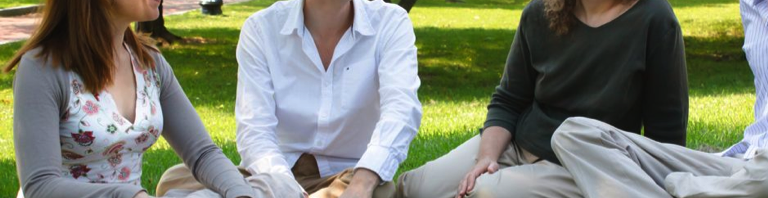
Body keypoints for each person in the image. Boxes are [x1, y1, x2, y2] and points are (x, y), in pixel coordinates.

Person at [456, 0, 768, 197]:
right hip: (737, 166)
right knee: (574, 134)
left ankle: (673, 192)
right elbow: (509, 97)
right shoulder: (755, 8)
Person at [396, 0, 689, 196]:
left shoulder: (656, 18)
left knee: (486, 193)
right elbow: (508, 100)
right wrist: (487, 158)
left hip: (580, 164)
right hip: (518, 144)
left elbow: (666, 137)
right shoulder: (540, 12)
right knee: (416, 188)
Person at [155, 0, 422, 197]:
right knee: (177, 182)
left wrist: (363, 183)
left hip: (348, 176)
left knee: (380, 192)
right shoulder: (261, 29)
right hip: (272, 175)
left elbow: (401, 110)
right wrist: (286, 188)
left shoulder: (390, 23)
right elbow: (255, 132)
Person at [5, 0, 255, 197]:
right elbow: (40, 186)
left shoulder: (150, 62)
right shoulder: (43, 68)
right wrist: (128, 195)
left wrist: (240, 194)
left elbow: (202, 153)